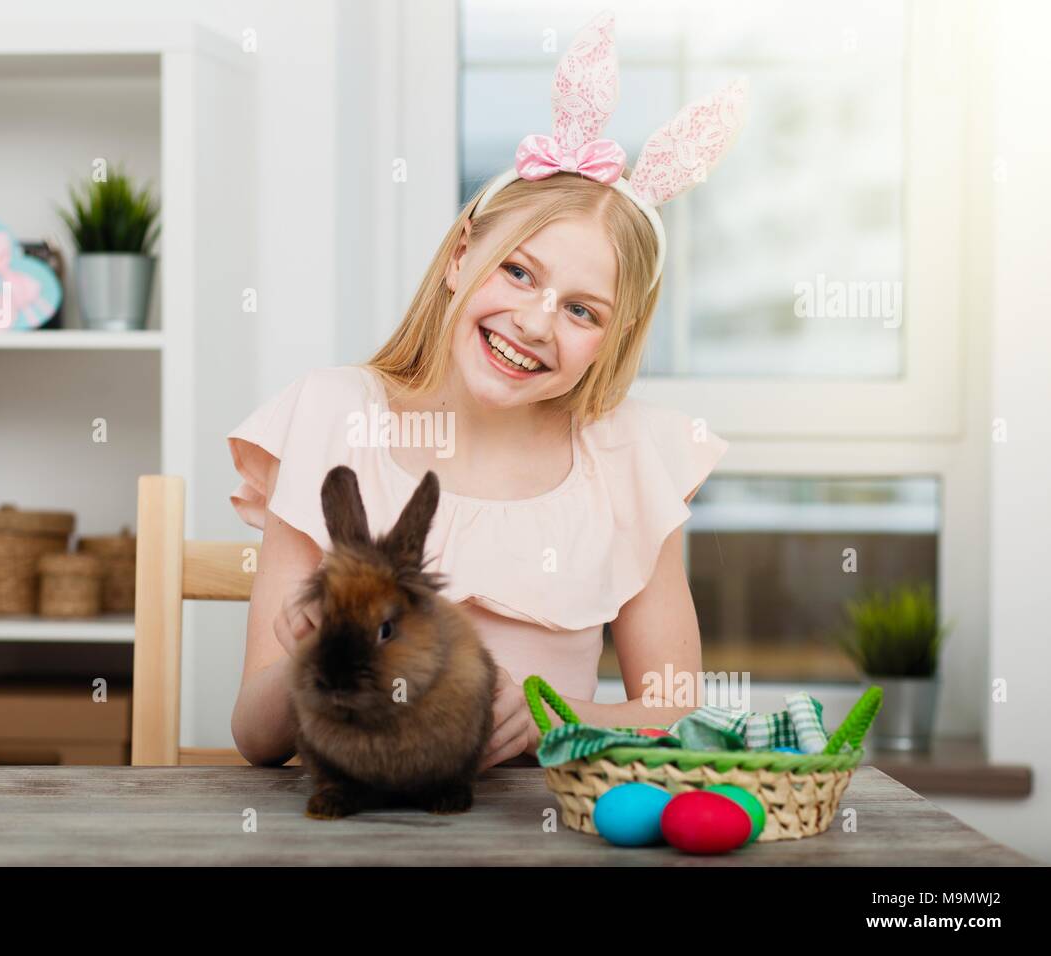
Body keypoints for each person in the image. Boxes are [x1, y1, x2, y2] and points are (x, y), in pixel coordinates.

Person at [226, 10, 746, 769]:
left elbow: (678, 714)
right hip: (349, 827)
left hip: (533, 831)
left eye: (581, 311)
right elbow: (255, 739)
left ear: (614, 339)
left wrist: (556, 720)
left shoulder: (628, 456)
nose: (536, 323)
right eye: (519, 271)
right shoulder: (331, 418)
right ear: (460, 256)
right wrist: (310, 660)